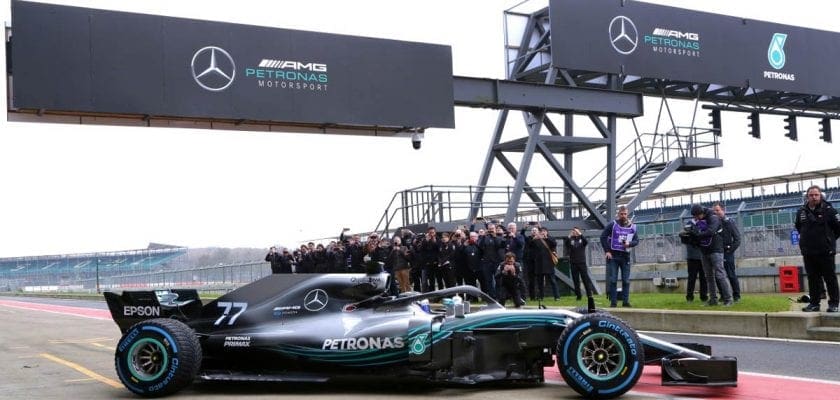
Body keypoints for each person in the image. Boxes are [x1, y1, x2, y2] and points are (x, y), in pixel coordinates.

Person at [795, 185, 840, 313]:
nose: (814, 197)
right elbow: (799, 228)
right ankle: (814, 303)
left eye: (816, 195)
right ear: (807, 196)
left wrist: (829, 240)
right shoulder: (801, 212)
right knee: (812, 278)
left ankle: (834, 304)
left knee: (830, 278)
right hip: (809, 252)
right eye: (811, 195)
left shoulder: (830, 210)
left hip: (825, 251)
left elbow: (838, 228)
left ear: (820, 196)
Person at [685, 205, 733, 307]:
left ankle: (728, 299)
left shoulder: (713, 217)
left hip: (716, 250)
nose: (696, 218)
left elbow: (711, 231)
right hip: (704, 250)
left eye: (697, 216)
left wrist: (697, 234)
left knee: (720, 275)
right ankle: (713, 300)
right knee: (709, 277)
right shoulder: (699, 220)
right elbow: (698, 235)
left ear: (701, 213)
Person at [600, 205, 639, 307]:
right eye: (621, 214)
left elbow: (636, 240)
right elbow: (603, 236)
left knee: (626, 280)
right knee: (613, 280)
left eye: (625, 214)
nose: (623, 216)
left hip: (625, 256)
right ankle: (613, 302)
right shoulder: (612, 225)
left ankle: (625, 302)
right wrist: (607, 251)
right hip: (613, 256)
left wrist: (629, 244)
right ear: (618, 214)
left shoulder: (632, 227)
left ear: (627, 214)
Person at [713, 203, 742, 302]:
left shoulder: (730, 222)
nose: (715, 212)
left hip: (727, 253)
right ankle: (723, 295)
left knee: (730, 274)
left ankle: (736, 296)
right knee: (718, 276)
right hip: (717, 253)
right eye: (714, 211)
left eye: (717, 210)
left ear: (723, 210)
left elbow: (737, 239)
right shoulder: (714, 223)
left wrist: (729, 250)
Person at [562, 227, 594, 301]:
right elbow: (566, 244)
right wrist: (569, 236)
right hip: (573, 263)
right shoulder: (571, 239)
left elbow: (586, 242)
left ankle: (589, 294)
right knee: (576, 280)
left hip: (582, 262)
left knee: (585, 279)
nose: (575, 232)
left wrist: (580, 234)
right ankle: (578, 295)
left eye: (576, 231)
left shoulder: (581, 239)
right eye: (574, 231)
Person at [529, 227, 559, 301]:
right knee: (540, 282)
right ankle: (541, 296)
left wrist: (546, 238)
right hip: (539, 264)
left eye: (544, 231)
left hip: (549, 263)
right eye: (541, 231)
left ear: (547, 232)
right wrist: (534, 238)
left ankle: (557, 296)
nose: (543, 233)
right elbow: (530, 246)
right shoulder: (536, 240)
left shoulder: (550, 239)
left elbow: (554, 244)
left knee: (553, 281)